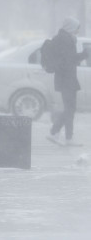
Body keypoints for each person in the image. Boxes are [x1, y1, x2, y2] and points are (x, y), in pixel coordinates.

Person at [47, 17, 88, 146]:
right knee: (70, 109)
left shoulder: (64, 38)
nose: (78, 31)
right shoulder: (65, 40)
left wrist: (80, 56)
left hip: (66, 78)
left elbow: (67, 59)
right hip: (67, 79)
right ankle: (55, 133)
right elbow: (68, 60)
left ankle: (63, 136)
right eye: (77, 28)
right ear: (71, 27)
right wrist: (84, 54)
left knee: (69, 109)